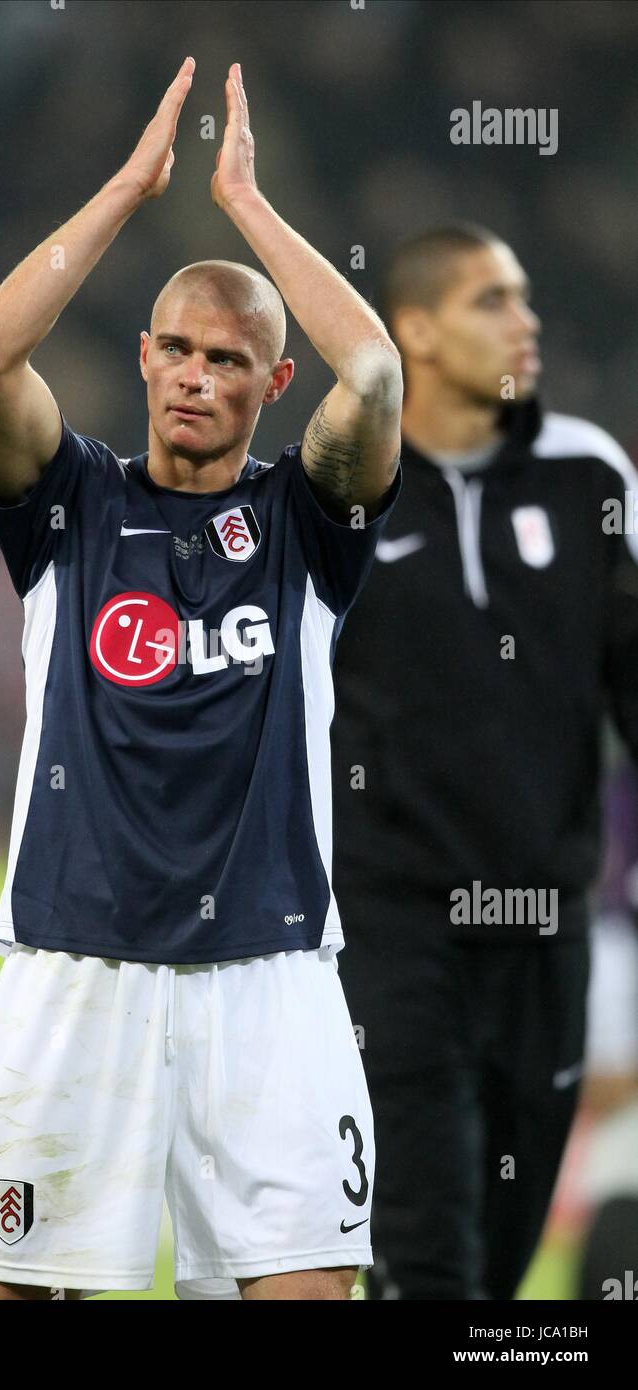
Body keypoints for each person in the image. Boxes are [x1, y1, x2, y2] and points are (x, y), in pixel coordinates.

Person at [0, 58, 401, 1301]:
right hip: (73, 961)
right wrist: (129, 188)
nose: (198, 375)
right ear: (145, 358)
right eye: (180, 351)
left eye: (230, 358)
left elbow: (374, 377)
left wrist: (247, 205)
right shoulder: (71, 507)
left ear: (275, 385)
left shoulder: (307, 525)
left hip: (270, 978)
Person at [330, 223, 638, 1300]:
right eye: (492, 301)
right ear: (413, 329)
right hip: (391, 930)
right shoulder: (342, 495)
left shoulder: (588, 475)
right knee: (427, 1255)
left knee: (500, 1264)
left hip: (546, 929)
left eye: (525, 296)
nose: (528, 320)